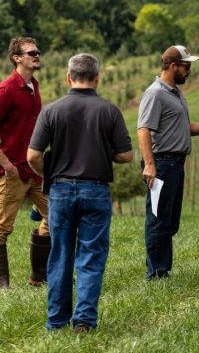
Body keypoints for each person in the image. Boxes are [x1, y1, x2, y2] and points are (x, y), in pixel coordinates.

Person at [27, 53, 133, 332]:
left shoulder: (51, 111)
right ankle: (84, 321)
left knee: (60, 255)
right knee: (91, 256)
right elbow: (126, 156)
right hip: (96, 190)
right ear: (97, 77)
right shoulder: (110, 111)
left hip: (60, 190)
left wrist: (48, 173)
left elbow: (33, 155)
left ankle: (56, 322)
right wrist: (102, 152)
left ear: (68, 77)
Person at [137, 45, 199, 280]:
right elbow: (144, 129)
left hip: (175, 163)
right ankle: (156, 273)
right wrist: (149, 164)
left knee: (170, 221)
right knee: (158, 219)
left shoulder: (175, 93)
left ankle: (161, 267)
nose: (189, 71)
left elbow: (182, 129)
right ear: (173, 66)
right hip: (161, 162)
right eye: (186, 66)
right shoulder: (155, 93)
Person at [0, 37, 50, 288]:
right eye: (31, 53)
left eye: (38, 52)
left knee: (56, 218)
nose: (37, 55)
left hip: (37, 170)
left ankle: (39, 276)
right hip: (14, 170)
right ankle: (2, 283)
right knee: (1, 228)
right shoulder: (7, 89)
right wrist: (7, 165)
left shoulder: (35, 86)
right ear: (17, 58)